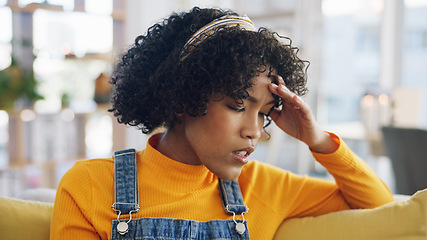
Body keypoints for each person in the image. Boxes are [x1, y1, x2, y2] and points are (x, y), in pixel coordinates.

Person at [50, 7, 394, 240]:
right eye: (237, 105)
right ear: (185, 98)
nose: (255, 131)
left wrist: (317, 139)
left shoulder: (262, 187)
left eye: (264, 113)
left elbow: (382, 208)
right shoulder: (90, 186)